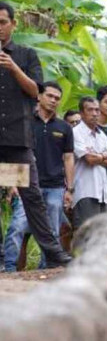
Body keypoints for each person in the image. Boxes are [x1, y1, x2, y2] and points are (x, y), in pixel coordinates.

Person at [0, 1, 71, 267]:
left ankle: (53, 254)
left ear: (13, 24)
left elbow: (34, 91)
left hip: (16, 142)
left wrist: (13, 67)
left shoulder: (26, 55)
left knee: (32, 197)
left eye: (3, 22)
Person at [3, 81, 75, 272]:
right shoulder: (23, 122)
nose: (53, 101)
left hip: (55, 186)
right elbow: (13, 152)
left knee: (51, 230)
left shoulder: (64, 127)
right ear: (39, 96)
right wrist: (12, 185)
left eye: (57, 98)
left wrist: (70, 189)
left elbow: (68, 158)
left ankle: (45, 269)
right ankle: (7, 269)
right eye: (50, 96)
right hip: (24, 183)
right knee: (17, 227)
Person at [71, 96, 107, 229]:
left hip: (101, 193)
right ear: (82, 113)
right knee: (85, 235)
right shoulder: (76, 133)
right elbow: (89, 159)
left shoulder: (102, 135)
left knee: (99, 236)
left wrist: (98, 157)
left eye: (97, 110)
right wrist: (104, 154)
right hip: (84, 191)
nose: (95, 114)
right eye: (90, 110)